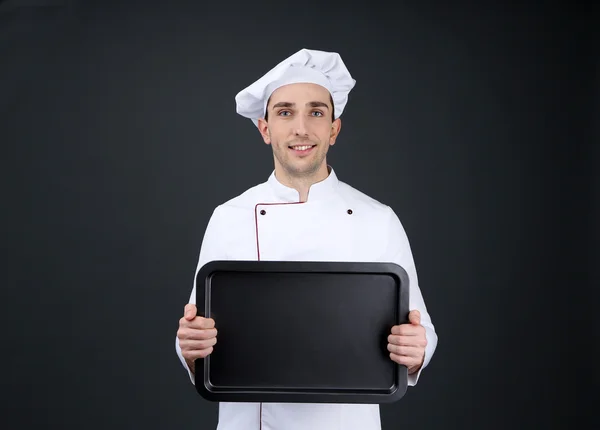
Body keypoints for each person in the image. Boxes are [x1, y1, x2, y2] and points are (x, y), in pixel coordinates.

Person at [175, 48, 438, 430]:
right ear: (265, 129)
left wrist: (416, 350)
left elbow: (421, 330)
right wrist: (191, 347)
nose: (301, 128)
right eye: (285, 112)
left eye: (316, 112)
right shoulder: (228, 218)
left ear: (334, 128)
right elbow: (197, 336)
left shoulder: (377, 219)